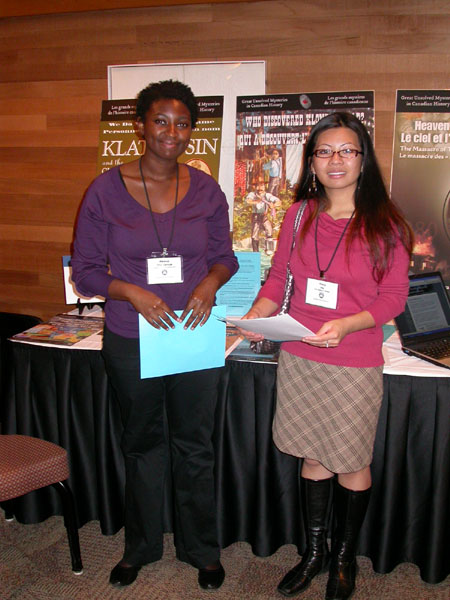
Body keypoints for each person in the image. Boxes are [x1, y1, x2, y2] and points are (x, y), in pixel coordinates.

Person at [238, 112, 413, 599]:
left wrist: (349, 324)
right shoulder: (298, 215)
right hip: (298, 354)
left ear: (363, 159)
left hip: (353, 359)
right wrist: (257, 314)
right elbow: (278, 279)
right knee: (312, 454)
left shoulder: (387, 222)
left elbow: (393, 297)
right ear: (311, 161)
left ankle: (342, 557)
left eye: (346, 150)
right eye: (324, 151)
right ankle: (313, 552)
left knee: (351, 460)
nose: (335, 160)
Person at [71, 80, 238, 591]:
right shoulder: (104, 189)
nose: (172, 132)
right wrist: (133, 293)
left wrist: (210, 283)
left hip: (192, 335)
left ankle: (200, 549)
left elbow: (224, 257)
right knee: (142, 445)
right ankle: (141, 547)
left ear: (192, 130)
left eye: (183, 123)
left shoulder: (208, 190)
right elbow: (86, 272)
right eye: (161, 120)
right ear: (141, 124)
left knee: (195, 446)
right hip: (132, 337)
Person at [246, 178, 280, 253]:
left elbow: (278, 201)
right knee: (254, 234)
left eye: (262, 185)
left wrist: (273, 205)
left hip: (264, 216)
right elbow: (248, 201)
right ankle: (255, 252)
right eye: (257, 186)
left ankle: (269, 250)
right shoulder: (252, 194)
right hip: (256, 217)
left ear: (265, 186)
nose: (260, 188)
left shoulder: (267, 195)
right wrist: (257, 201)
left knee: (269, 230)